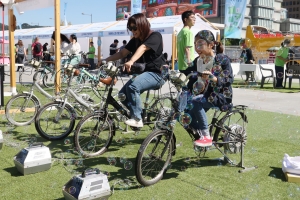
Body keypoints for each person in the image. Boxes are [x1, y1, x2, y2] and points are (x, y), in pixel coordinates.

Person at [102, 13, 166, 128]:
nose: (132, 31)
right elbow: (122, 53)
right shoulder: (135, 40)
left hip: (157, 74)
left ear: (142, 25)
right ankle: (139, 114)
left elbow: (143, 48)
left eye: (135, 28)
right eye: (130, 28)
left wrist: (131, 61)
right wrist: (106, 60)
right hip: (145, 73)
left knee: (133, 87)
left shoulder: (155, 36)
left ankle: (137, 118)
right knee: (122, 95)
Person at [186, 30, 233, 147]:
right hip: (205, 95)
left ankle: (206, 136)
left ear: (211, 45)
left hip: (221, 96)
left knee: (195, 102)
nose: (197, 48)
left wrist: (215, 78)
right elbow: (192, 79)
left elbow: (229, 79)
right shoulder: (198, 60)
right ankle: (202, 134)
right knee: (186, 117)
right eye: (195, 44)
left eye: (200, 44)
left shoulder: (221, 59)